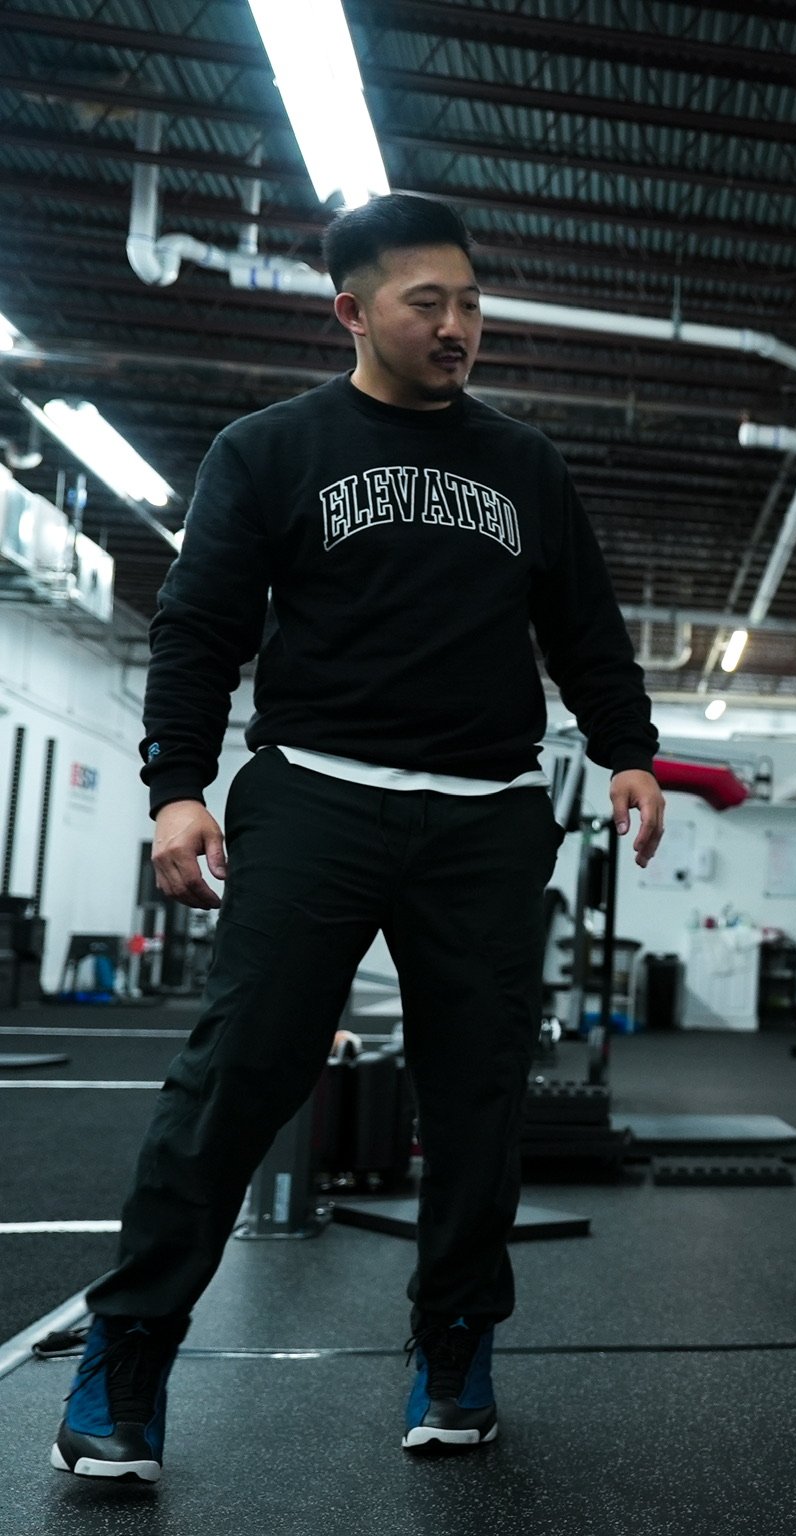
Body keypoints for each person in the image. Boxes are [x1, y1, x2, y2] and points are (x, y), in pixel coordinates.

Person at [53, 194, 664, 1483]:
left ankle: (453, 1347)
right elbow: (200, 626)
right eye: (424, 303)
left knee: (478, 1097)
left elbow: (587, 633)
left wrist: (627, 753)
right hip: (315, 795)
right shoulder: (271, 449)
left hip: (486, 815)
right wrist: (176, 786)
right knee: (237, 1078)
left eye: (470, 304)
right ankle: (130, 1353)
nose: (456, 327)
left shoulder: (526, 466)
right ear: (352, 310)